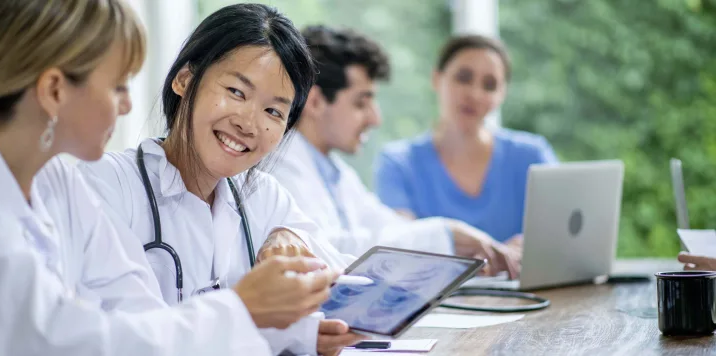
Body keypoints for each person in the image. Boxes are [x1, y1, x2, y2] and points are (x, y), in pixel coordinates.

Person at [0, 1, 339, 355]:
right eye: (118, 86)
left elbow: (135, 308)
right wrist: (241, 309)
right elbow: (62, 342)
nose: (129, 105)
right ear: (55, 91)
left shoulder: (57, 179)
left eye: (274, 111)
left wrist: (276, 323)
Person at [77, 5, 363, 356]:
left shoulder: (261, 196)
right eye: (236, 92)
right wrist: (249, 314)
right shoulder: (106, 185)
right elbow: (134, 338)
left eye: (273, 111)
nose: (249, 123)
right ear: (184, 79)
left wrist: (292, 236)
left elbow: (336, 274)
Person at [269, 25, 519, 278]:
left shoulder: (337, 173)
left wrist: (452, 246)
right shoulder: (280, 169)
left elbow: (390, 228)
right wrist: (446, 234)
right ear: (315, 102)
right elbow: (327, 249)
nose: (375, 118)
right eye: (361, 103)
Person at [374, 34, 559, 250]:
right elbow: (401, 246)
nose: (474, 94)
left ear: (502, 94)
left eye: (489, 85)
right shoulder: (398, 163)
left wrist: (529, 247)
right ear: (436, 79)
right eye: (463, 78)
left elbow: (560, 232)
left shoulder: (533, 156)